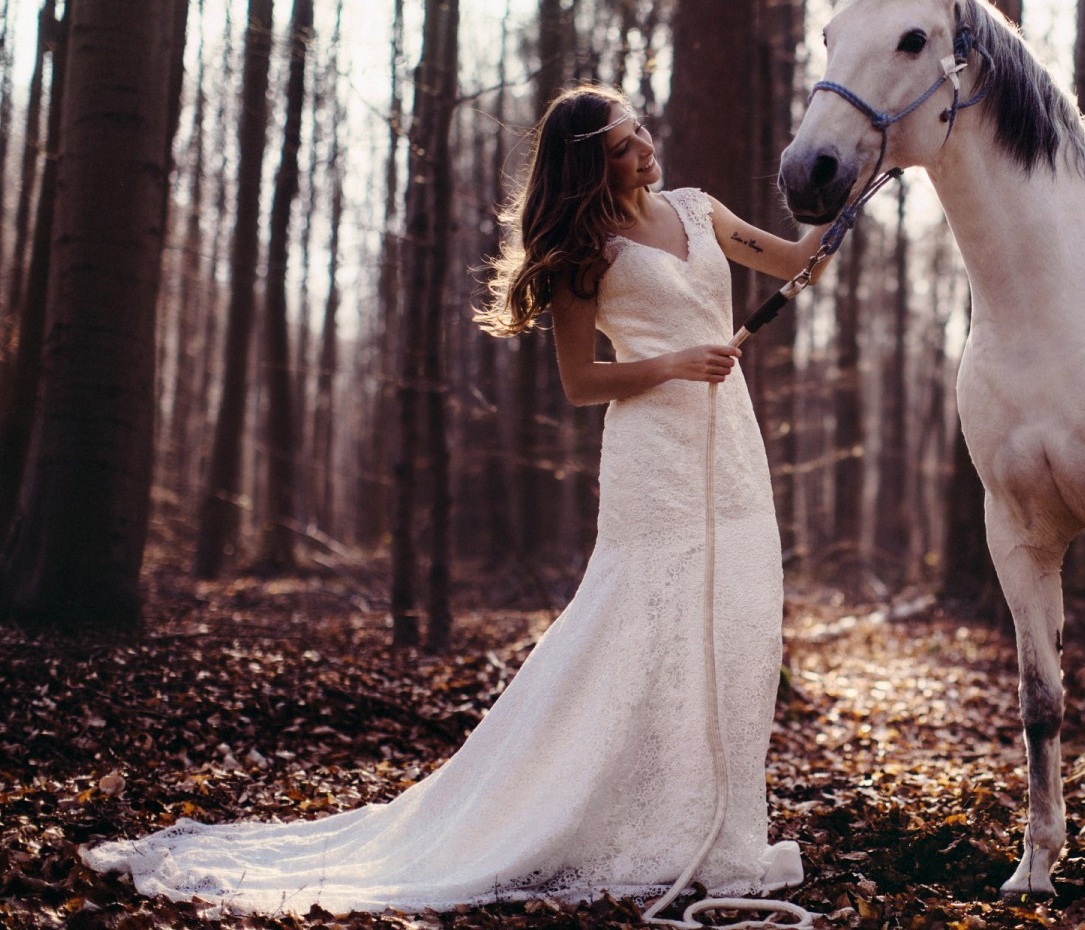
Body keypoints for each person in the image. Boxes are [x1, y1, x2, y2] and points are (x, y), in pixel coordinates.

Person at [83, 84, 829, 915]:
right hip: (653, 453)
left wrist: (855, 184)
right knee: (638, 620)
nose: (646, 146)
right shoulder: (588, 251)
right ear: (589, 162)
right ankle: (602, 807)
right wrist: (671, 364)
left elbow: (794, 261)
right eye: (623, 143)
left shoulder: (698, 208)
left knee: (736, 616)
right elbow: (581, 383)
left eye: (642, 130)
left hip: (731, 443)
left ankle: (717, 824)